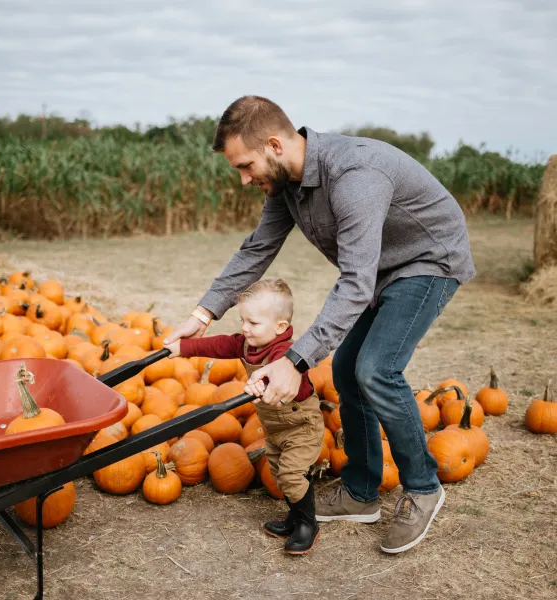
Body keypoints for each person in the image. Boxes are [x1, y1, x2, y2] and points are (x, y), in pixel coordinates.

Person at [163, 95, 476, 554]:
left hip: (428, 261)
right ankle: (362, 491)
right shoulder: (286, 184)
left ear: (273, 144)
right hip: (381, 271)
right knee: (348, 371)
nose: (245, 178)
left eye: (246, 165)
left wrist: (295, 360)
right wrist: (202, 314)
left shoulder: (354, 176)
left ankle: (425, 487)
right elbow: (257, 249)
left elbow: (355, 282)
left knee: (375, 369)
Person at [164, 278, 325, 555]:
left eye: (253, 323)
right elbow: (220, 345)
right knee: (279, 470)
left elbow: (282, 376)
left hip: (301, 425)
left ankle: (308, 524)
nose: (244, 328)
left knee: (290, 474)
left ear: (280, 327)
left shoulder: (285, 353)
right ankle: (296, 516)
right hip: (275, 426)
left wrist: (262, 384)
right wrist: (185, 348)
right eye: (243, 320)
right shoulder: (248, 344)